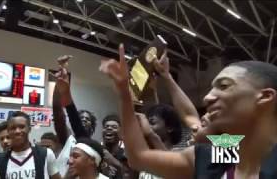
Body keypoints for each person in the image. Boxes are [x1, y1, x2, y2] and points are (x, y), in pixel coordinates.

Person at [100, 43, 277, 178]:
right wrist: (125, 92)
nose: (207, 98)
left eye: (224, 86)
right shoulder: (225, 154)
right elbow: (138, 157)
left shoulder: (235, 150)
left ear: (265, 96)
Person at [0, 111, 61, 179]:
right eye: (13, 128)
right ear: (8, 131)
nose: (17, 131)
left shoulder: (46, 154)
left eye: (22, 127)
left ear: (29, 129)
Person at [100, 114, 125, 179]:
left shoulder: (126, 155)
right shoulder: (97, 152)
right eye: (106, 126)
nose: (109, 128)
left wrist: (114, 162)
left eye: (114, 127)